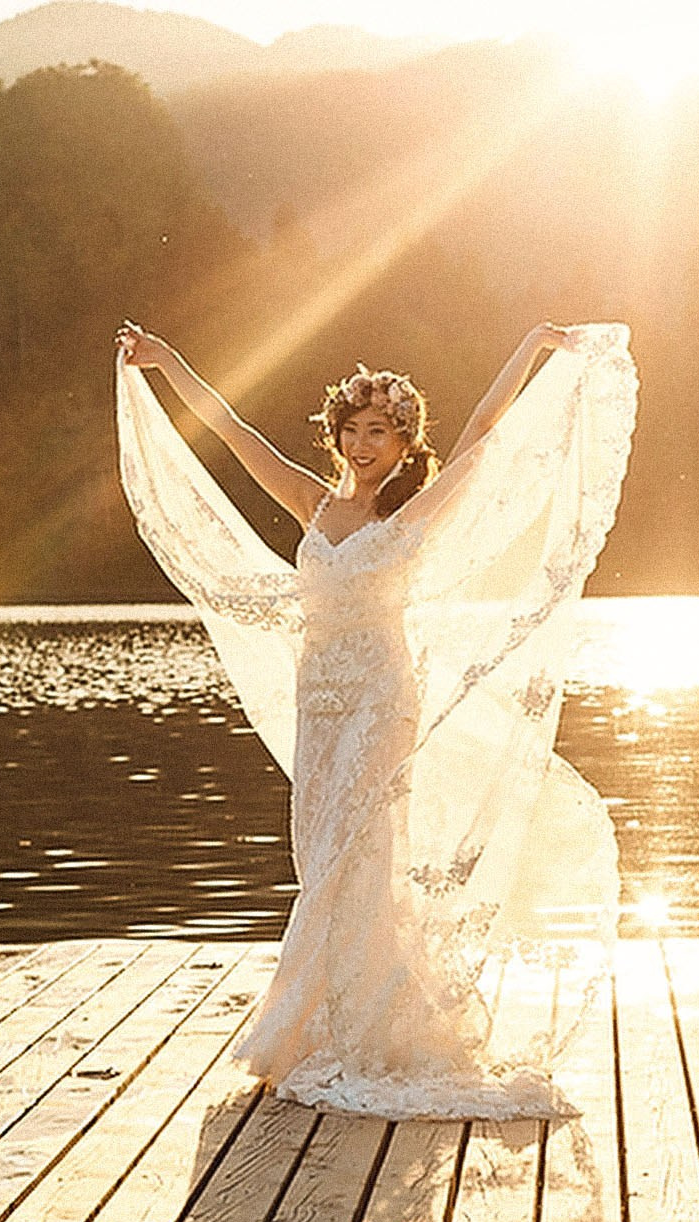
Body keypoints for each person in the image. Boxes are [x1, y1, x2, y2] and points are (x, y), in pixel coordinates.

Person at [114, 319, 637, 1119]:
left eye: (379, 432)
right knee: (323, 852)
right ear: (337, 436)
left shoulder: (414, 514)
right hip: (318, 703)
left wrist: (529, 345)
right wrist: (166, 362)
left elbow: (482, 436)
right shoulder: (310, 501)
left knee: (358, 850)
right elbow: (230, 428)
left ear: (402, 442)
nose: (362, 445)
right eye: (352, 431)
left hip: (382, 701)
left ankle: (348, 1032)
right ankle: (332, 1021)